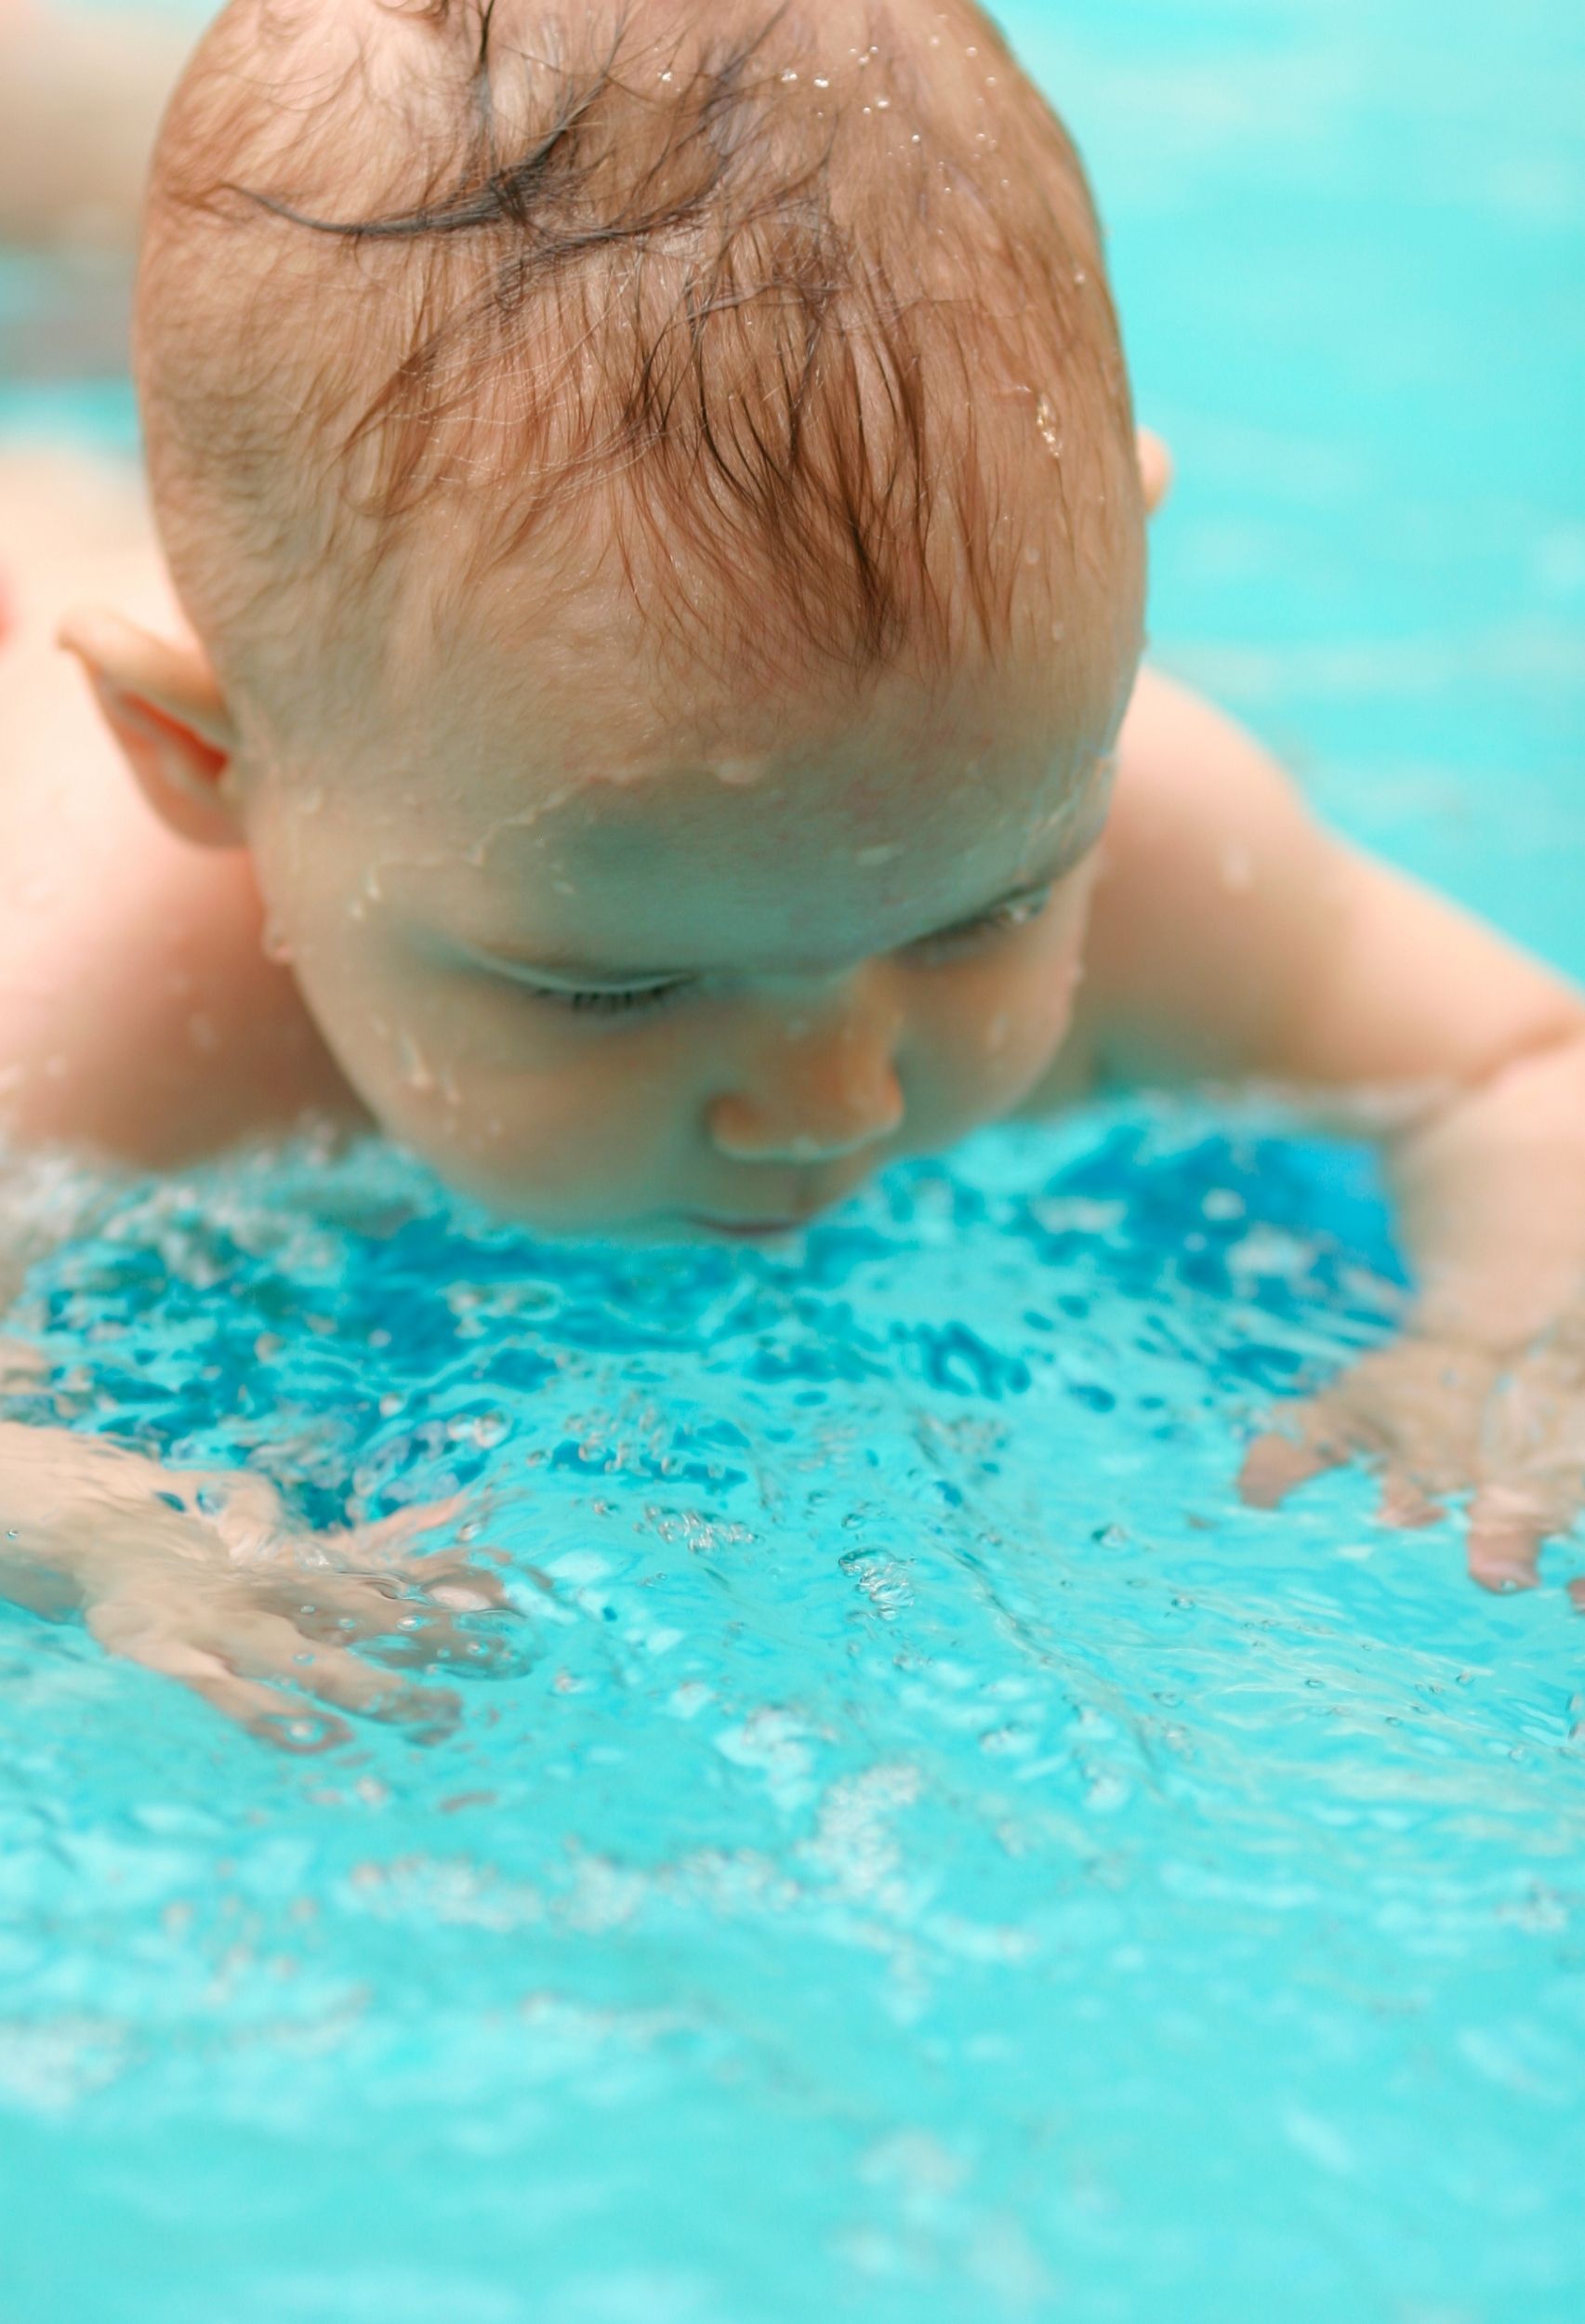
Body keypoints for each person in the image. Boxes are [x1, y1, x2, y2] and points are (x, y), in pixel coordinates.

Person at [3, 0, 1582, 1745]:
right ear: (214, 766)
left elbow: (1523, 1072)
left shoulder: (1142, 826)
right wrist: (98, 1529)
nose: (831, 1100)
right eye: (614, 987)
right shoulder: (102, 1001)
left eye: (980, 915)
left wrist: (1509, 1335)